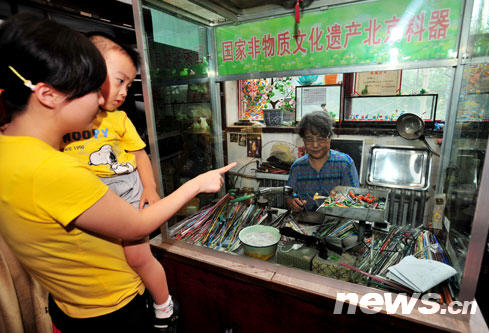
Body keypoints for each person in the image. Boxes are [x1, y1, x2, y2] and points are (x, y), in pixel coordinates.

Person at [0, 13, 235, 333]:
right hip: (110, 312)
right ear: (48, 94)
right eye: (91, 89)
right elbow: (138, 224)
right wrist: (197, 183)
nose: (102, 99)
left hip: (69, 306)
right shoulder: (51, 170)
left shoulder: (10, 150)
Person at [61, 32, 175, 331]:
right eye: (120, 80)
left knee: (138, 256)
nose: (124, 91)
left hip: (125, 191)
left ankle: (164, 304)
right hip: (88, 198)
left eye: (129, 84)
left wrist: (150, 189)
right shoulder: (64, 120)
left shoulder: (120, 119)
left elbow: (141, 155)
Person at [286, 111, 359, 212]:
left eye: (320, 139)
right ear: (303, 140)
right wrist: (291, 201)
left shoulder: (345, 164)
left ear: (329, 138)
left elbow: (355, 198)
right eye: (309, 139)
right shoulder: (297, 167)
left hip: (336, 222)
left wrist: (344, 201)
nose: (315, 145)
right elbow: (289, 194)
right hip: (306, 220)